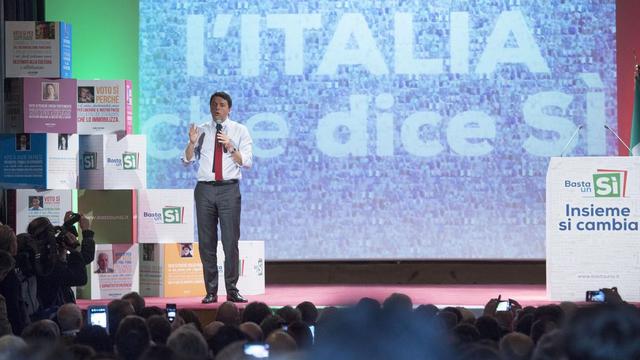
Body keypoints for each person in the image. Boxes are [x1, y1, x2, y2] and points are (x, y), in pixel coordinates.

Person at [183, 91, 253, 304]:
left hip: (229, 189)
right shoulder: (202, 131)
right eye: (214, 105)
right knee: (206, 242)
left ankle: (232, 289)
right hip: (204, 189)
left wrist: (231, 146)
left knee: (230, 241)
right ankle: (211, 291)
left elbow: (247, 162)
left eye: (222, 105)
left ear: (229, 109)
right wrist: (192, 143)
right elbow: (186, 160)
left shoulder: (240, 130)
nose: (217, 108)